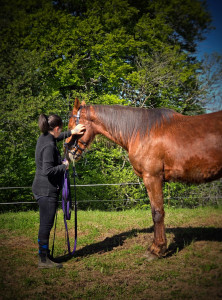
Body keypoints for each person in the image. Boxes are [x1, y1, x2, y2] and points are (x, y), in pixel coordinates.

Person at [32, 114, 85, 269]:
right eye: (60, 130)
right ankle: (43, 259)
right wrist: (64, 166)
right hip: (46, 191)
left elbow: (57, 137)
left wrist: (72, 132)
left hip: (42, 188)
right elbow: (48, 170)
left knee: (45, 224)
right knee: (46, 225)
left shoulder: (45, 137)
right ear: (55, 128)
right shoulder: (49, 146)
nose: (60, 133)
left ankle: (45, 254)